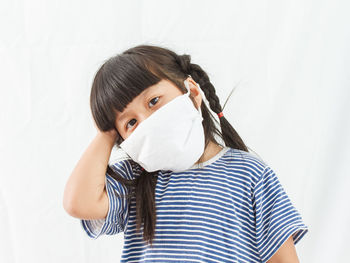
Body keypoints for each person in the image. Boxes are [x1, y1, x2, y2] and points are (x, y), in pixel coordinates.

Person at [63, 44, 309, 263]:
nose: (148, 122)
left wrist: (120, 122)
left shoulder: (250, 174)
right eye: (131, 123)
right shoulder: (133, 180)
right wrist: (105, 133)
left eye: (153, 101)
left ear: (191, 91)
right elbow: (78, 203)